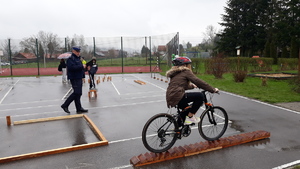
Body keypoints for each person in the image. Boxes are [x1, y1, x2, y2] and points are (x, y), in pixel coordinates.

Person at [166, 56, 219, 125]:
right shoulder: (185, 71)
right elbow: (198, 81)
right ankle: (190, 117)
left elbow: (180, 85)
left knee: (186, 110)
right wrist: (212, 89)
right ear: (185, 65)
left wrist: (192, 86)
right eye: (189, 64)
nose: (190, 66)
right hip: (177, 96)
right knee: (200, 96)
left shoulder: (176, 73)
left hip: (171, 96)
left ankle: (177, 130)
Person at [61, 46, 88, 114]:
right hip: (74, 77)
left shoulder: (78, 59)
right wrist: (81, 66)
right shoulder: (71, 59)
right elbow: (71, 68)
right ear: (73, 51)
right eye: (77, 51)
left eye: (79, 51)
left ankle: (78, 108)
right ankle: (65, 105)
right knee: (76, 92)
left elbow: (79, 68)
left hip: (79, 77)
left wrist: (85, 67)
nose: (78, 53)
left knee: (79, 93)